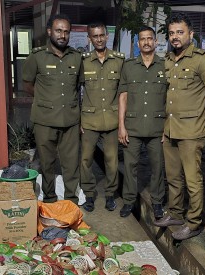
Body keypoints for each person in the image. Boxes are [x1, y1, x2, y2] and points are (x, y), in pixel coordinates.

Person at [153, 12, 205, 240]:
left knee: (192, 179)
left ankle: (194, 223)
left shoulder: (202, 58)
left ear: (190, 34)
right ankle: (175, 213)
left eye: (180, 32)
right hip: (171, 129)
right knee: (172, 177)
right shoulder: (169, 59)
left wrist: (202, 117)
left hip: (192, 131)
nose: (175, 37)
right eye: (172, 33)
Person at [21, 14, 83, 204]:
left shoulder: (77, 57)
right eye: (58, 30)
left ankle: (71, 201)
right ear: (49, 32)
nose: (62, 35)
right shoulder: (37, 56)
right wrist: (46, 100)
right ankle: (49, 199)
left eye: (66, 31)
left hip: (70, 120)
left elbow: (78, 86)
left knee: (71, 164)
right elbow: (27, 84)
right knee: (47, 164)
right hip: (45, 120)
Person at [117, 26, 168, 218]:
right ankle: (129, 201)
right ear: (137, 44)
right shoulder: (129, 66)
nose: (146, 42)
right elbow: (123, 96)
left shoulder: (164, 66)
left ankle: (157, 202)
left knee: (157, 166)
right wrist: (121, 126)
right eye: (142, 39)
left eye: (149, 38)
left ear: (155, 42)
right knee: (130, 166)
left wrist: (167, 127)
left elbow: (169, 98)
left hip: (157, 127)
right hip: (133, 126)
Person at [80, 22, 124, 212]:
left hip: (112, 120)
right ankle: (89, 194)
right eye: (94, 36)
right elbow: (75, 90)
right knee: (85, 160)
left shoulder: (119, 60)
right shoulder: (83, 61)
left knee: (112, 161)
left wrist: (123, 122)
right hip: (89, 120)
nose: (98, 39)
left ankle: (109, 195)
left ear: (107, 36)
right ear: (89, 39)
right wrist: (79, 119)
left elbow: (124, 92)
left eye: (101, 35)